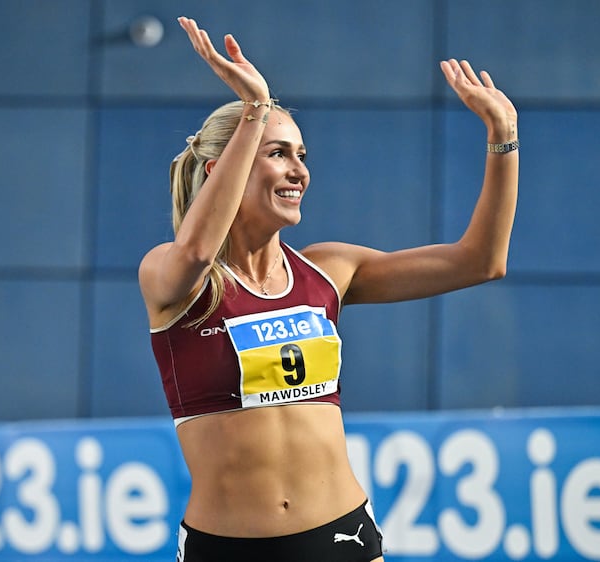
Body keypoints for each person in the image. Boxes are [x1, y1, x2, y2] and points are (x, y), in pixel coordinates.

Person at [138, 16, 518, 562]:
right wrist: (254, 109)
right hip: (224, 547)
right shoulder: (169, 276)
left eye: (302, 155)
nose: (300, 171)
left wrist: (503, 137)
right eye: (279, 153)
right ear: (226, 168)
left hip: (340, 539)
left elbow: (481, 261)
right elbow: (197, 252)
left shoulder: (328, 272)